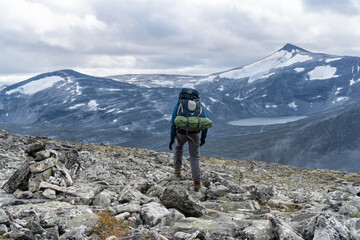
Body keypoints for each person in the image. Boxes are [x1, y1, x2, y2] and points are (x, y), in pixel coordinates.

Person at [169, 88, 208, 191]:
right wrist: (203, 137)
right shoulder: (199, 104)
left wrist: (172, 137)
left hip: (181, 133)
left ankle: (177, 170)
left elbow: (173, 121)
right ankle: (197, 182)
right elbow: (205, 121)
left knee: (178, 147)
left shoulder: (179, 103)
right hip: (195, 134)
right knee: (194, 156)